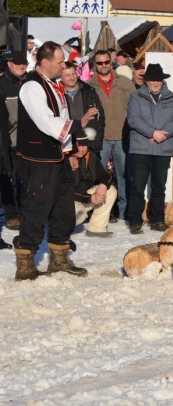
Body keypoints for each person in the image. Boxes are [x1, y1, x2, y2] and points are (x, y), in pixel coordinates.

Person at [12, 41, 98, 280]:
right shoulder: (32, 87)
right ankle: (25, 261)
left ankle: (59, 257)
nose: (63, 65)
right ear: (45, 62)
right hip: (39, 159)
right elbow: (46, 121)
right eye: (60, 62)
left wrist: (70, 151)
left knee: (63, 210)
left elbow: (61, 118)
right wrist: (75, 133)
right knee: (36, 209)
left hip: (58, 158)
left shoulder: (55, 85)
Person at [126, 64, 173, 234]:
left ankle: (157, 219)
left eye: (158, 80)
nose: (156, 83)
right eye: (152, 80)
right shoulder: (136, 96)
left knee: (159, 186)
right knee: (138, 185)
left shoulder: (172, 98)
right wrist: (152, 132)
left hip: (162, 147)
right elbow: (133, 119)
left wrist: (163, 135)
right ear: (146, 81)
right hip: (140, 148)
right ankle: (135, 220)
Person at [88, 50, 135, 222]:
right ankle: (100, 211)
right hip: (101, 139)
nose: (103, 65)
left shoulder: (125, 83)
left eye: (106, 62)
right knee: (98, 177)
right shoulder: (88, 86)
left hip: (123, 137)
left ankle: (124, 210)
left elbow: (135, 108)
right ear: (94, 64)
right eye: (99, 63)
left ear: (111, 61)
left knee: (124, 175)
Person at [0, 52, 28, 232]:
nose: (22, 66)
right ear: (9, 64)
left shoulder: (28, 83)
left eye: (24, 63)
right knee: (7, 178)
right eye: (18, 63)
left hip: (27, 141)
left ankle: (25, 211)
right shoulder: (2, 85)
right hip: (8, 141)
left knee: (25, 179)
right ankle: (11, 214)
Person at [71, 139, 116, 238]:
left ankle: (96, 228)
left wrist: (103, 185)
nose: (82, 149)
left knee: (110, 190)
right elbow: (65, 191)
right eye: (79, 146)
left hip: (85, 196)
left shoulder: (90, 156)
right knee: (80, 213)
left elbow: (105, 176)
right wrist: (89, 198)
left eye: (84, 145)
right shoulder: (65, 159)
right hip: (68, 200)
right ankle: (60, 230)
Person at [62, 62, 105, 154]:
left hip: (90, 144)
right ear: (61, 77)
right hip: (68, 144)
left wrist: (98, 138)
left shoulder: (88, 91)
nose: (72, 78)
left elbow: (100, 117)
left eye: (73, 74)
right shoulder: (58, 94)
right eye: (67, 75)